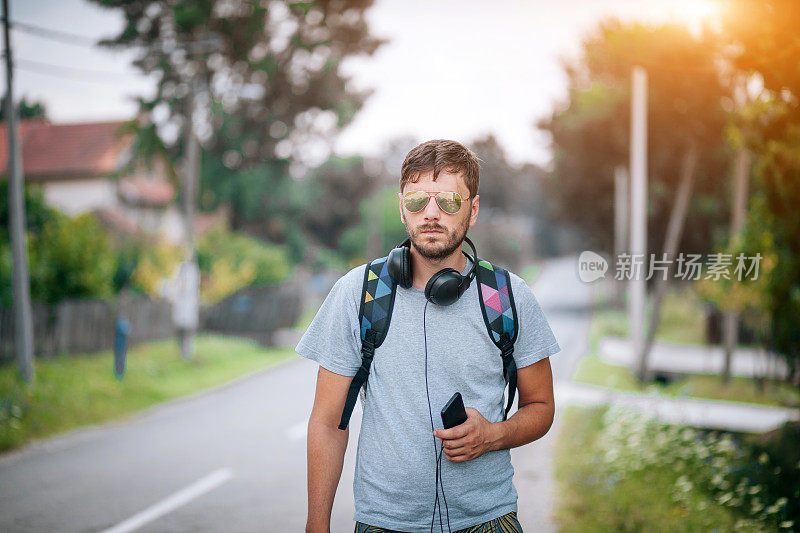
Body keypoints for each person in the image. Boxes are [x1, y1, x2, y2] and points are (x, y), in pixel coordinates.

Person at [297, 139, 561, 533]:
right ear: (402, 208)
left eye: (449, 202)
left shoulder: (508, 297)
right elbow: (327, 421)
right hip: (383, 523)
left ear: (472, 210)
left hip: (488, 519)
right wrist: (316, 524)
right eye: (418, 200)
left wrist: (492, 435)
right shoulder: (359, 293)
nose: (432, 214)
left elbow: (541, 406)